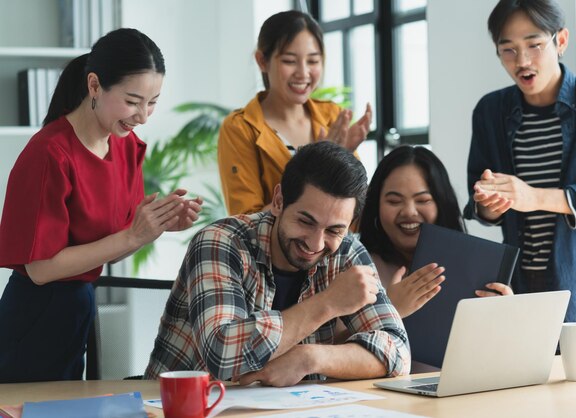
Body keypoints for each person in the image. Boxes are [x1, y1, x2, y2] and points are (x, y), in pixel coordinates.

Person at [0, 28, 202, 383]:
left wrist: (155, 227)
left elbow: (112, 248)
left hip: (79, 307)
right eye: (133, 100)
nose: (143, 115)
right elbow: (41, 269)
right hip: (35, 315)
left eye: (152, 102)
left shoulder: (126, 147)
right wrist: (132, 236)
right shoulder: (49, 154)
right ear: (94, 86)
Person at [145, 141, 410, 387]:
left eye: (334, 230)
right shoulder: (222, 242)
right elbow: (222, 354)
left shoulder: (347, 253)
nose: (316, 244)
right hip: (184, 407)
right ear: (279, 201)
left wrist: (310, 358)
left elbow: (398, 353)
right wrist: (327, 303)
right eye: (305, 222)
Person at [464, 0, 576, 350]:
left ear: (561, 41)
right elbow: (480, 204)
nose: (522, 61)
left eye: (534, 45)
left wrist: (533, 197)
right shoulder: (490, 112)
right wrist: (491, 202)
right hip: (519, 289)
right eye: (508, 50)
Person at [218, 10, 372, 215]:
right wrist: (321, 167)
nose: (303, 73)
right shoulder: (241, 128)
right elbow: (246, 220)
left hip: (336, 245)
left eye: (313, 61)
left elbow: (357, 209)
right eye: (290, 61)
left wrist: (345, 164)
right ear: (262, 61)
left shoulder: (331, 117)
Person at [359, 145, 512, 321]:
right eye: (394, 201)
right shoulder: (356, 267)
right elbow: (334, 341)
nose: (409, 212)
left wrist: (507, 313)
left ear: (441, 204)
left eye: (423, 200)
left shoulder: (478, 269)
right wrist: (390, 311)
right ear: (375, 206)